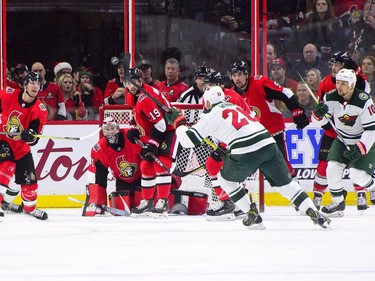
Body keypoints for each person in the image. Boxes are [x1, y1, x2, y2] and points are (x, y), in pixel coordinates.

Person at [167, 86, 331, 229]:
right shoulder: (235, 107)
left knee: (226, 180)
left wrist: (179, 123)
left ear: (208, 103)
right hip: (268, 143)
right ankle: (314, 212)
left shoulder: (210, 115)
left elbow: (188, 141)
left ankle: (251, 214)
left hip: (246, 149)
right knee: (287, 185)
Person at [230, 60, 309, 180]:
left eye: (240, 74)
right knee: (240, 166)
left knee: (282, 164)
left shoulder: (259, 83)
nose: (237, 79)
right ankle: (243, 194)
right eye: (234, 75)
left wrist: (296, 110)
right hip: (251, 135)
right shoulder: (232, 94)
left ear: (246, 74)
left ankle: (297, 193)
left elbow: (286, 93)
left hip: (272, 131)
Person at [312, 68, 375, 216]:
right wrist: (317, 114)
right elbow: (317, 124)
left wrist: (360, 148)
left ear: (352, 85)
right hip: (342, 139)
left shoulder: (363, 100)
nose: (339, 86)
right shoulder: (330, 98)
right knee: (331, 168)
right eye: (338, 83)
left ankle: (373, 187)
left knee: (356, 175)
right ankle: (338, 202)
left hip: (363, 140)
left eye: (343, 83)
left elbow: (372, 130)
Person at [125, 67, 178, 218]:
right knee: (145, 165)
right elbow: (136, 115)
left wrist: (152, 144)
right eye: (129, 83)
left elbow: (161, 123)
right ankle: (147, 202)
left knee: (161, 163)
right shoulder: (131, 95)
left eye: (134, 82)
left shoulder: (146, 97)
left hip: (168, 129)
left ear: (140, 81)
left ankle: (162, 201)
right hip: (157, 129)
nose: (132, 86)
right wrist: (133, 128)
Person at [0, 72, 48, 220]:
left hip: (21, 149)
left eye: (38, 83)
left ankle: (29, 208)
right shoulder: (8, 94)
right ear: (25, 84)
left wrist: (30, 136)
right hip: (3, 141)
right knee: (7, 167)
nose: (35, 86)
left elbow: (35, 138)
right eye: (32, 82)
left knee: (30, 184)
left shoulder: (40, 110)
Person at [83, 117, 143, 216]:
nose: (110, 132)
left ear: (118, 128)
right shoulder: (100, 148)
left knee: (142, 208)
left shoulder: (131, 136)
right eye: (107, 129)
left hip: (142, 179)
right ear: (103, 131)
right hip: (122, 182)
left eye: (112, 128)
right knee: (122, 208)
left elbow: (148, 160)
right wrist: (97, 202)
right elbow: (99, 177)